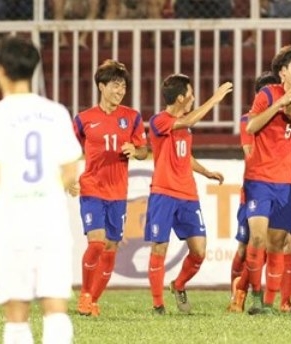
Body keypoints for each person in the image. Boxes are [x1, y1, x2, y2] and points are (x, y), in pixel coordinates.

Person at [0, 35, 81, 343]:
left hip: (11, 222)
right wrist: (45, 191)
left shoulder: (1, 115)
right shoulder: (56, 112)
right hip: (50, 221)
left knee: (17, 315)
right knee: (55, 309)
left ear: (2, 70)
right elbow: (70, 170)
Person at [145, 74, 232, 315]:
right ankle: (158, 305)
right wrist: (214, 99)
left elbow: (185, 155)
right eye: (191, 94)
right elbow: (189, 121)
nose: (193, 98)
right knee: (159, 248)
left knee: (199, 251)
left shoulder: (184, 124)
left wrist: (206, 172)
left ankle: (179, 284)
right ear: (181, 97)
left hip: (187, 194)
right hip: (163, 193)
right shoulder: (159, 121)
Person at [72, 59, 148, 317]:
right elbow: (70, 151)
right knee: (96, 243)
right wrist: (69, 177)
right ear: (101, 87)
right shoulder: (83, 119)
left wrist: (134, 151)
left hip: (118, 192)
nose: (120, 91)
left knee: (112, 246)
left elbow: (144, 150)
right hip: (92, 188)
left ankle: (93, 299)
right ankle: (84, 295)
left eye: (123, 86)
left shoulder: (132, 117)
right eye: (115, 86)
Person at [243, 45, 291, 315]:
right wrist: (276, 105)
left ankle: (269, 304)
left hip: (287, 183)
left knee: (277, 243)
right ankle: (255, 297)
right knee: (257, 238)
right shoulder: (266, 94)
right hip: (260, 179)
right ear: (282, 72)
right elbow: (251, 126)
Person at [227, 71, 279, 313]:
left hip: (279, 187)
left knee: (268, 246)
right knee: (245, 245)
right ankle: (235, 294)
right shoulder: (248, 119)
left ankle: (245, 292)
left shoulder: (285, 120)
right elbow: (250, 150)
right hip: (254, 189)